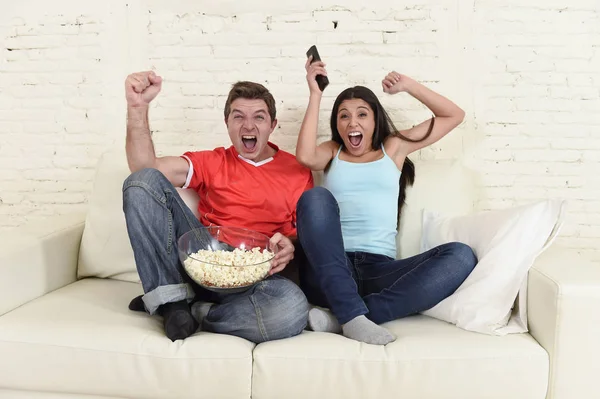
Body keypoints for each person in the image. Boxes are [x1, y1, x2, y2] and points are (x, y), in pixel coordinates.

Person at [295, 58, 478, 345]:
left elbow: (454, 115)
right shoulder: (332, 151)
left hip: (378, 272)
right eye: (344, 116)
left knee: (461, 256)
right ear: (337, 124)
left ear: (375, 119)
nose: (352, 122)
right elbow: (305, 156)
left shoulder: (393, 147)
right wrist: (315, 93)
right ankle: (351, 313)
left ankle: (342, 318)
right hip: (330, 270)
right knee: (314, 197)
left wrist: (408, 86)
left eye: (361, 114)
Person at [122, 71, 313, 342]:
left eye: (258, 116)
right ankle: (173, 302)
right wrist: (137, 108)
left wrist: (291, 243)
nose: (248, 126)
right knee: (140, 182)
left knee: (290, 309)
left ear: (273, 124)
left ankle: (196, 311)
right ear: (227, 122)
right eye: (238, 116)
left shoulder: (297, 170)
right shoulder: (213, 161)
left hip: (258, 275)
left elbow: (304, 235)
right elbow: (143, 170)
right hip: (204, 258)